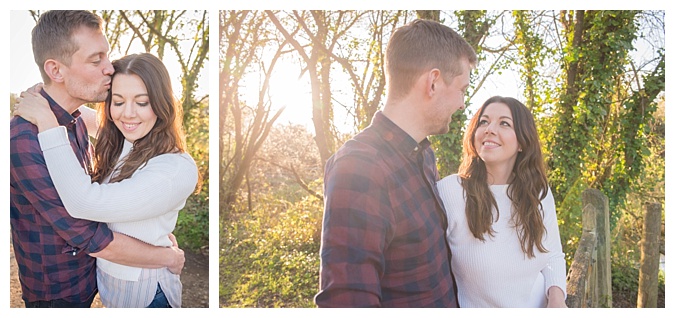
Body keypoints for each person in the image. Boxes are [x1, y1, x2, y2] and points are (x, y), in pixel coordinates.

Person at [9, 10, 185, 308]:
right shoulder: (25, 140)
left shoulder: (74, 120)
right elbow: (86, 230)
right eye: (96, 59)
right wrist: (166, 256)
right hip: (57, 292)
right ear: (56, 70)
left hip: (94, 281)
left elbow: (122, 125)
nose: (110, 69)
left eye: (108, 56)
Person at [315, 19, 477, 307]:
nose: (462, 103)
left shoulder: (424, 155)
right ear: (433, 82)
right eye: (462, 89)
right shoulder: (360, 167)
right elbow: (348, 301)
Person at [436, 96, 567, 307]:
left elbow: (552, 254)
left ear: (522, 142)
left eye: (504, 123)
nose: (489, 129)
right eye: (484, 122)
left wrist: (557, 299)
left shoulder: (538, 193)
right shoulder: (451, 191)